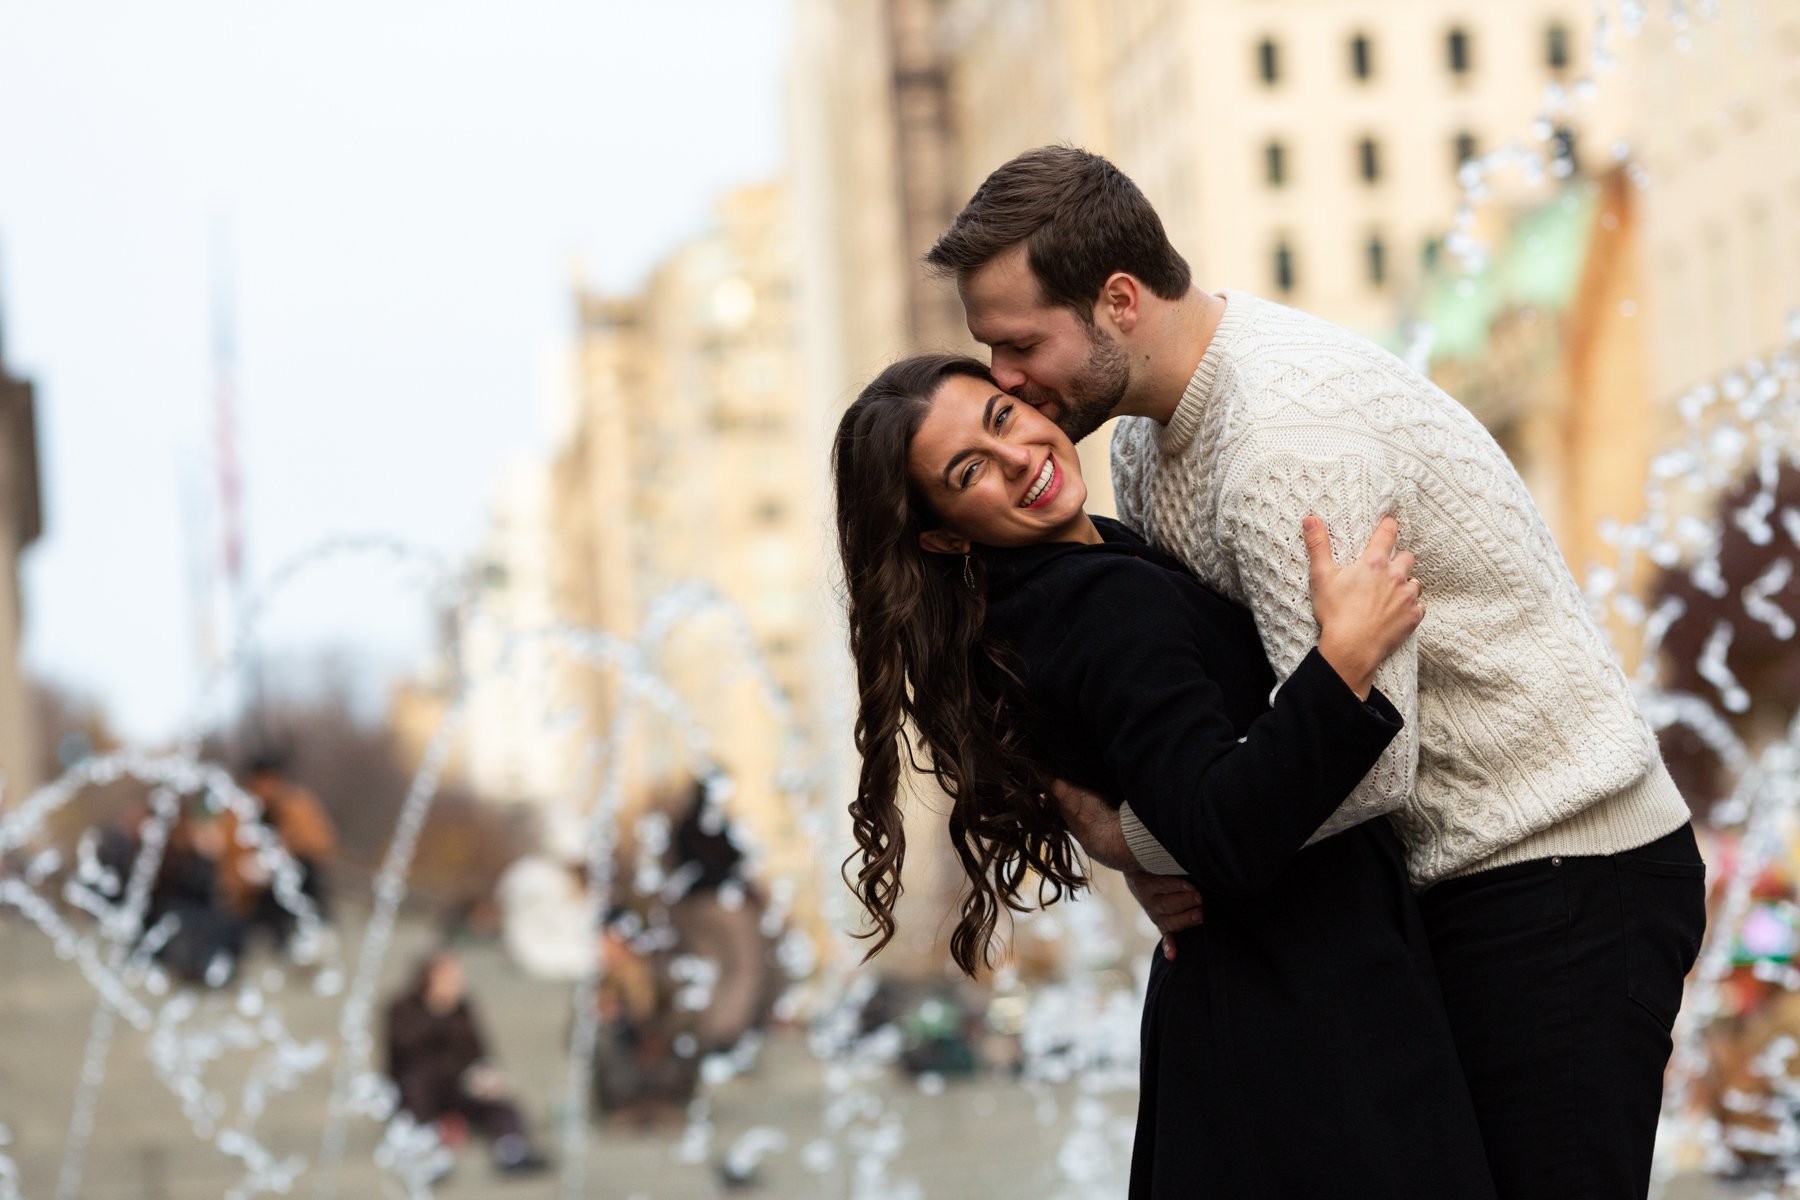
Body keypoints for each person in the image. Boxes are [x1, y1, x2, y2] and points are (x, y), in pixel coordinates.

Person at [923, 145, 1707, 1199]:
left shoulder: (1288, 443)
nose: (1005, 380)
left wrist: (1146, 838)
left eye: (1018, 347)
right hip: (1439, 883)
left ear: (1117, 302)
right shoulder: (1153, 444)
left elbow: (1368, 765)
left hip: (1553, 876)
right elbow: (1239, 706)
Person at [833, 353, 1493, 1197]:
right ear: (944, 532)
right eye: (970, 473)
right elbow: (1222, 829)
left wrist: (1131, 838)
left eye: (1002, 419)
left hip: (1256, 1012)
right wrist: (1343, 661)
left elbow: (1169, 799)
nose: (1020, 460)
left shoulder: (1056, 586)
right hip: (1304, 1028)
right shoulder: (1102, 600)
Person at [384, 948, 550, 1176]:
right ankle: (427, 1153)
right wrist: (438, 1012)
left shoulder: (462, 1007)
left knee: (500, 1104)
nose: (456, 983)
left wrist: (487, 1075)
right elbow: (405, 1050)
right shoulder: (402, 1008)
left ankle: (510, 1148)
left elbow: (478, 1049)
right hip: (420, 1089)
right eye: (449, 977)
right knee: (419, 1083)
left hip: (459, 1085)